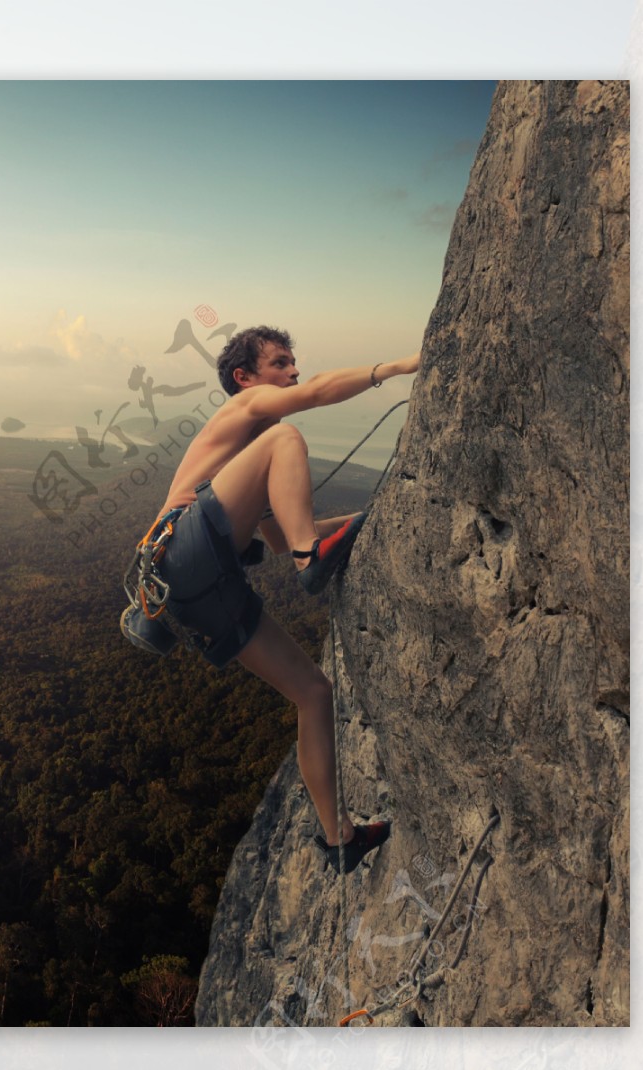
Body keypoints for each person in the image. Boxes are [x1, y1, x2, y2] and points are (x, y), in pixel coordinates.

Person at [121, 325, 420, 873]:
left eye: (292, 364)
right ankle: (318, 558)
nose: (294, 373)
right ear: (246, 377)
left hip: (195, 590)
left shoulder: (245, 464)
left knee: (313, 692)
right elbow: (319, 393)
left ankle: (338, 838)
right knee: (287, 439)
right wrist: (394, 368)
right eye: (281, 363)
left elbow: (282, 539)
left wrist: (366, 522)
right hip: (184, 550)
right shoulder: (249, 409)